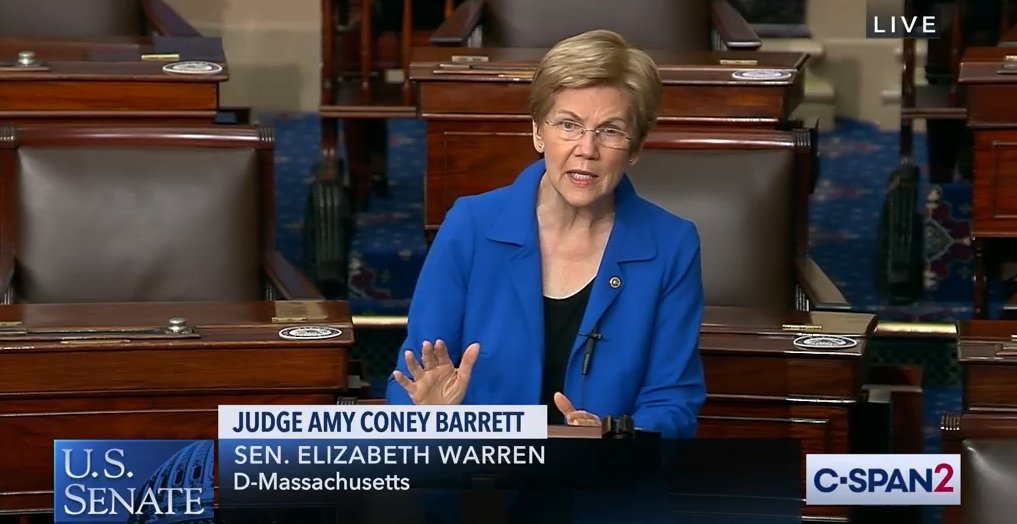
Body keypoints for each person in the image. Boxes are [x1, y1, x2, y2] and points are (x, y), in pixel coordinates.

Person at [385, 29, 705, 439]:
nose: (586, 149)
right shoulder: (471, 225)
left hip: (601, 489)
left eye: (609, 131)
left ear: (636, 146)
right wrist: (428, 417)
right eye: (568, 125)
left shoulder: (671, 246)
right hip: (483, 484)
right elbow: (409, 380)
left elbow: (673, 407)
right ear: (538, 132)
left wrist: (614, 437)